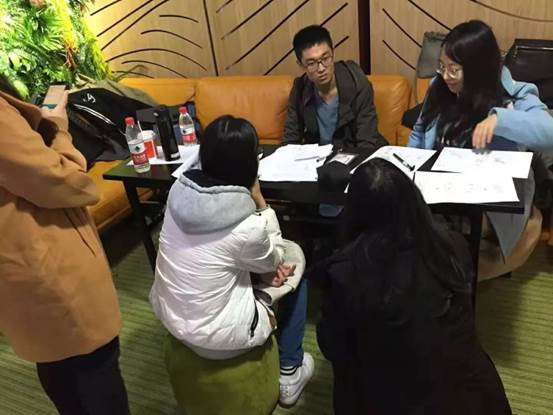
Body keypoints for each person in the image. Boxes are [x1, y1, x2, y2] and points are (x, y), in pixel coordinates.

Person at [307, 158, 512, 415]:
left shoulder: (345, 273)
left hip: (398, 400)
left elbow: (332, 346)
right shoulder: (450, 245)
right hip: (474, 394)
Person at [150, 115, 314, 406]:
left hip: (170, 318)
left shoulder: (176, 194)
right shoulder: (247, 227)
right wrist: (260, 201)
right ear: (251, 165)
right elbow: (275, 257)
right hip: (223, 339)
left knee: (239, 264)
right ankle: (290, 371)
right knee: (296, 264)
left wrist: (261, 270)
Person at [0, 76, 130, 414]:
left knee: (58, 363)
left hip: (19, 263)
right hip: (48, 266)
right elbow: (68, 183)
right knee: (91, 365)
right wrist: (58, 127)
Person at [408, 20, 553, 276]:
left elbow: (548, 132)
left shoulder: (514, 95)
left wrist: (501, 120)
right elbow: (420, 131)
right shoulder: (438, 88)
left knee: (450, 232)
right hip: (438, 187)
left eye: (454, 69)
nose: (446, 76)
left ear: (478, 69)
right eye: (442, 66)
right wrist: (410, 167)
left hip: (487, 198)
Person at [283, 25, 387, 150]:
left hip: (352, 153)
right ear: (301, 65)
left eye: (325, 58)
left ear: (333, 53)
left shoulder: (357, 83)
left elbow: (366, 140)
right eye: (311, 63)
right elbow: (291, 139)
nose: (321, 68)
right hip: (318, 156)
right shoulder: (300, 89)